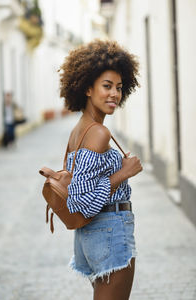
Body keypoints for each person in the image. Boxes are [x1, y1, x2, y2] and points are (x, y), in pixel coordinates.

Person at [59, 39, 143, 300]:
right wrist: (124, 172)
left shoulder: (80, 128)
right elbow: (81, 200)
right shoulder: (98, 132)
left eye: (118, 87)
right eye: (106, 86)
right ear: (87, 88)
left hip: (92, 234)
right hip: (109, 231)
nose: (114, 94)